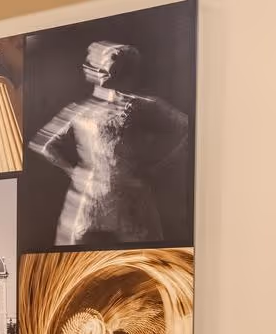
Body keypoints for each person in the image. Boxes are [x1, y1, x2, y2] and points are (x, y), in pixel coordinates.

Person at [29, 40, 188, 246]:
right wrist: (72, 171)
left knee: (145, 257)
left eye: (106, 66)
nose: (96, 69)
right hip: (90, 199)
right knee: (71, 255)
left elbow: (187, 128)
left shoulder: (141, 105)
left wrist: (163, 166)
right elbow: (44, 144)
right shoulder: (80, 111)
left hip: (130, 199)